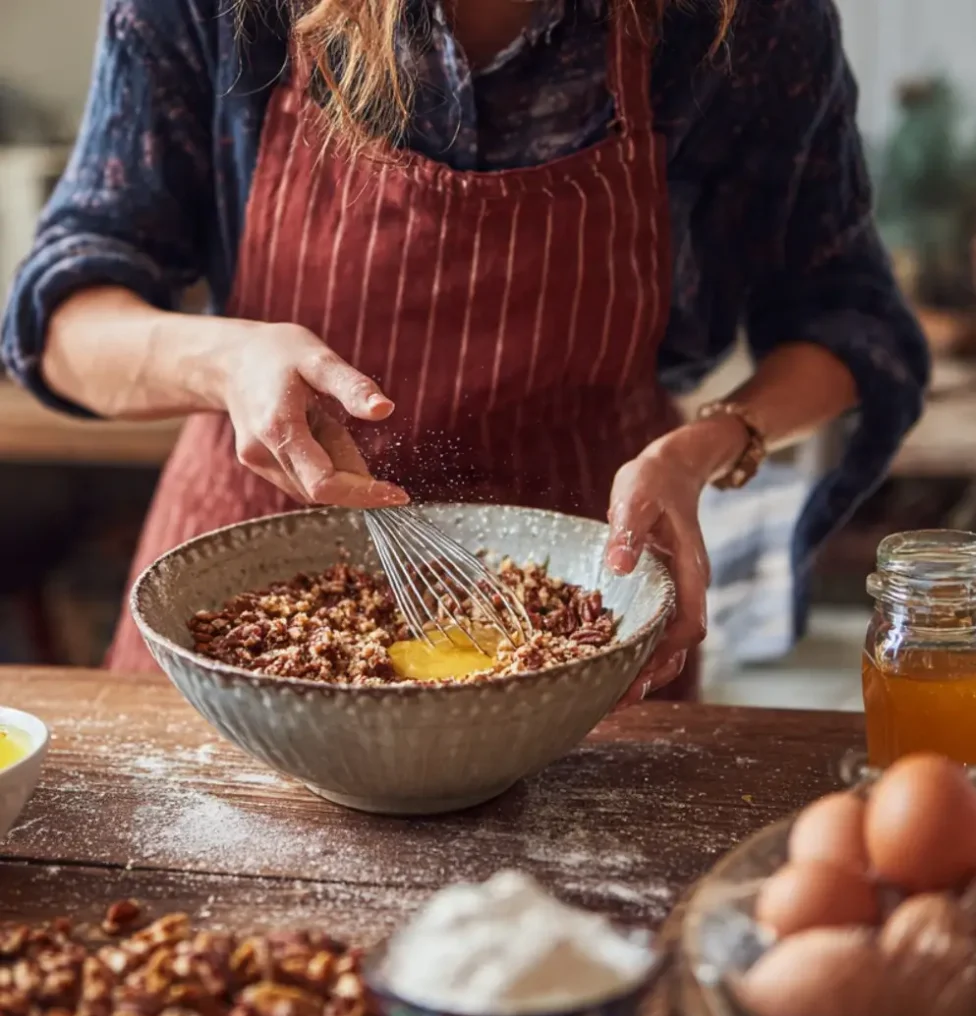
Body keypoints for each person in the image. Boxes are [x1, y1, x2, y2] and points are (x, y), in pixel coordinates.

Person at [0, 0, 928, 702]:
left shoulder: (739, 27)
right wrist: (226, 362)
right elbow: (59, 325)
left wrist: (716, 441)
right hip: (248, 618)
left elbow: (848, 319)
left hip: (578, 633)